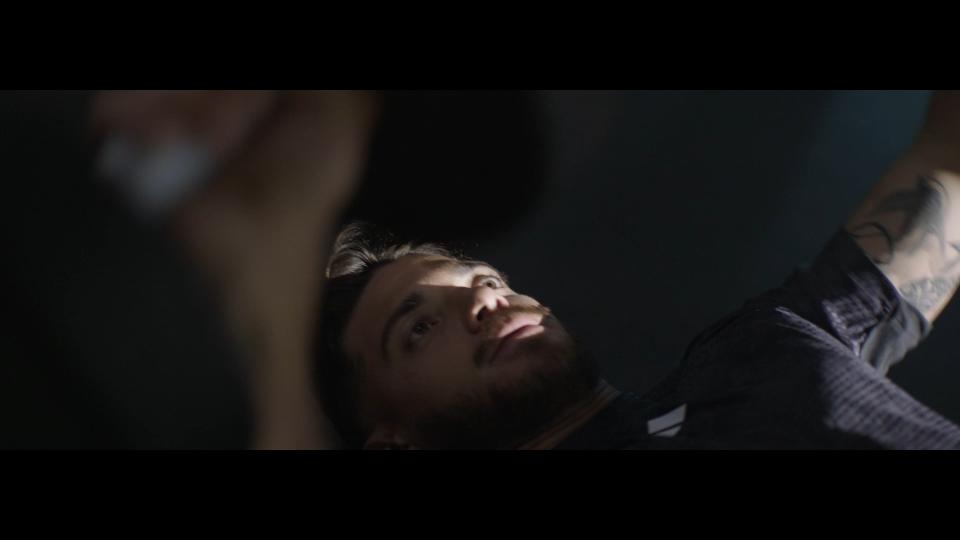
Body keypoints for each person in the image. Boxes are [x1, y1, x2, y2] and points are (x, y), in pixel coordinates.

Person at [96, 90, 960, 449]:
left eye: (485, 281)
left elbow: (945, 163)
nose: (483, 303)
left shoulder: (762, 349)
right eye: (418, 329)